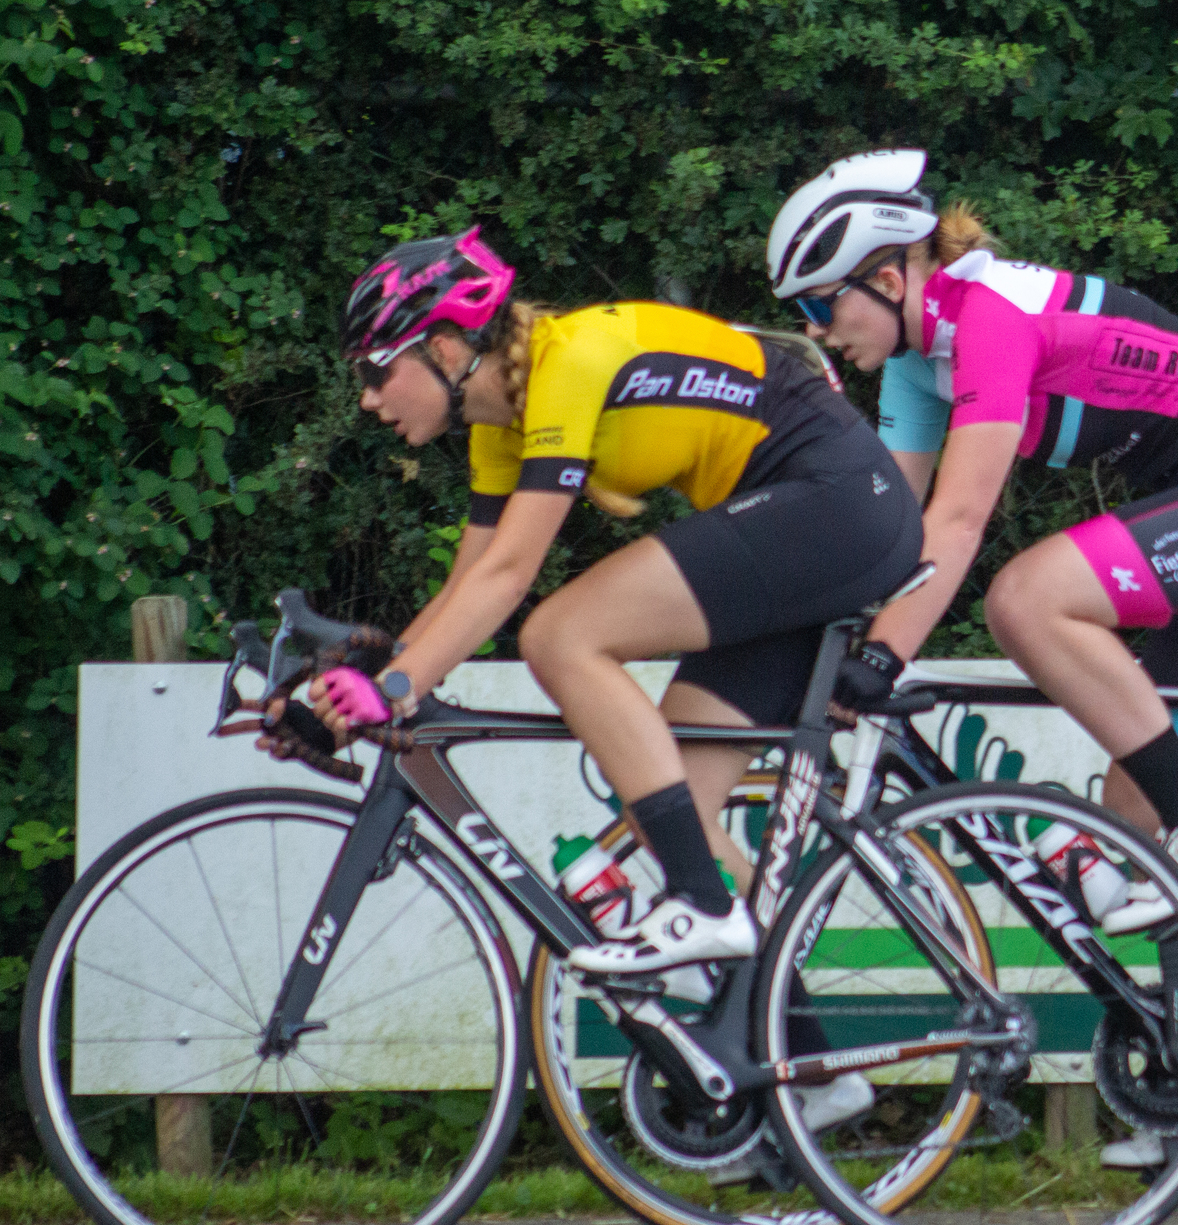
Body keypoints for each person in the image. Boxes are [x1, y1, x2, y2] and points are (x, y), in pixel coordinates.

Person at [764, 149, 1178, 934]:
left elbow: (958, 522)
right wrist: (811, 633)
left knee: (1026, 598)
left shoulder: (988, 318)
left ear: (885, 282)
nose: (815, 332)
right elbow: (890, 527)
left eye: (818, 306)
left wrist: (882, 658)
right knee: (1129, 832)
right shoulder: (920, 368)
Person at [312, 229, 922, 1007]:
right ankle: (803, 1068)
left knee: (562, 635)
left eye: (374, 370)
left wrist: (394, 686)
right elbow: (468, 585)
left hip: (837, 505)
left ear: (441, 347)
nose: (367, 397)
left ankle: (702, 908)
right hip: (808, 529)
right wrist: (351, 700)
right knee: (666, 818)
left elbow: (509, 580)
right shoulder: (503, 423)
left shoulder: (571, 365)